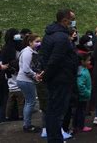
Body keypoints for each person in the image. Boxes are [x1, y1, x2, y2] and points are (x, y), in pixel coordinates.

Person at [40, 9, 78, 143]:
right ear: (65, 20)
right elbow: (55, 60)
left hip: (55, 78)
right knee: (56, 112)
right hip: (61, 79)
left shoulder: (49, 34)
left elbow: (45, 56)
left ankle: (54, 137)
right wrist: (46, 75)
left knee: (52, 110)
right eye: (72, 19)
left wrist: (45, 73)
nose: (73, 22)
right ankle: (55, 139)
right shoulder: (62, 37)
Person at [16, 33, 42, 133]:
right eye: (36, 41)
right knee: (30, 102)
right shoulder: (27, 52)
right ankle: (27, 125)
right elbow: (26, 69)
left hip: (24, 80)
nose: (38, 43)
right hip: (25, 80)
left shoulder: (29, 51)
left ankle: (27, 124)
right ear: (30, 42)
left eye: (39, 41)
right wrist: (35, 75)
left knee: (28, 102)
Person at [1, 28, 24, 121]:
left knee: (13, 99)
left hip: (14, 76)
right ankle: (18, 115)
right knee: (18, 99)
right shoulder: (9, 49)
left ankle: (10, 116)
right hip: (14, 76)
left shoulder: (11, 47)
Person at [74, 52, 92, 133]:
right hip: (82, 96)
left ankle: (76, 126)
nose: (90, 62)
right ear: (82, 61)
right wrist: (87, 93)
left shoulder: (81, 69)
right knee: (81, 111)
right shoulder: (82, 72)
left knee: (78, 111)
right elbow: (80, 85)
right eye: (88, 60)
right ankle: (81, 126)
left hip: (81, 95)